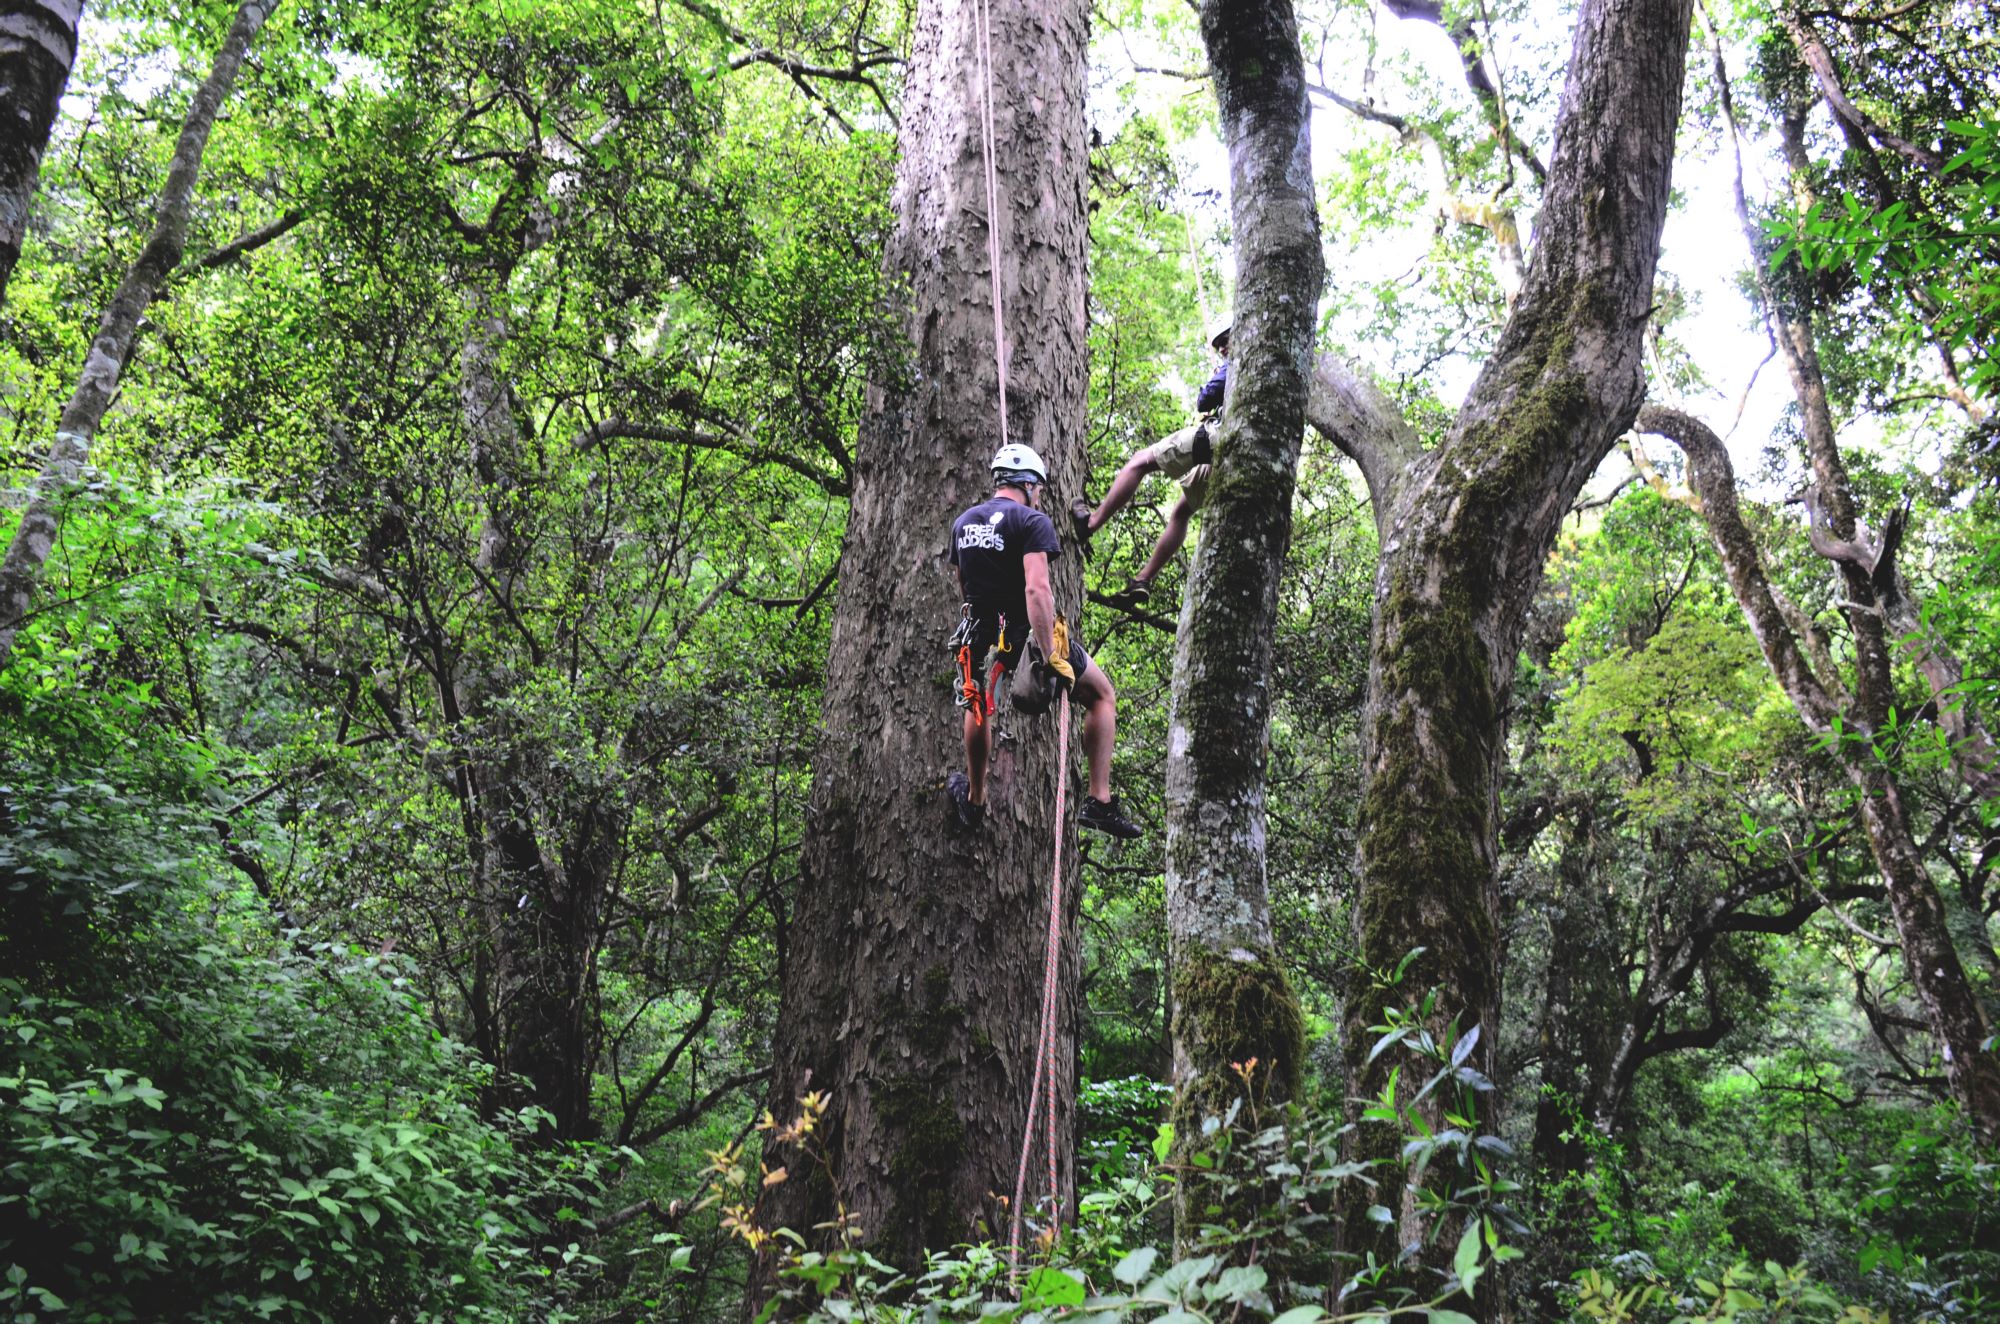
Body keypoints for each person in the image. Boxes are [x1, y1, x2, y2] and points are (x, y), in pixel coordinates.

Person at [945, 442, 1143, 840]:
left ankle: (976, 796)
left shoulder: (964, 523)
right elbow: (1037, 590)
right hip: (1024, 634)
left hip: (981, 635)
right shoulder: (1033, 522)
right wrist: (1050, 653)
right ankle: (1100, 800)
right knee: (1102, 695)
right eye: (1039, 489)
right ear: (1029, 484)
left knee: (979, 704)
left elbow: (964, 585)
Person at [1070, 323, 1231, 608]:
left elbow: (1204, 398)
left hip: (1217, 438)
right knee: (1181, 512)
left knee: (1139, 462)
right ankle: (1142, 580)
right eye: (1219, 345)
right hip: (1230, 453)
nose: (1222, 348)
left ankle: (1090, 523)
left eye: (1226, 341)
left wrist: (1217, 377)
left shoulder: (1236, 365)